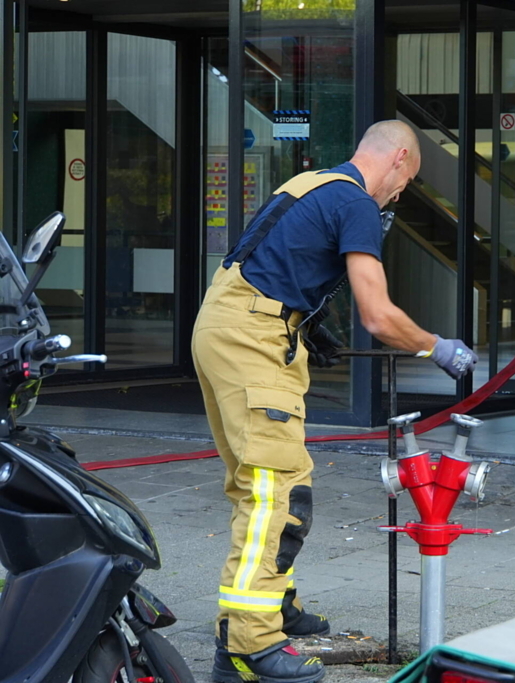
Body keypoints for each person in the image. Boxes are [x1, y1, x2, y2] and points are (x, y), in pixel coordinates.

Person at [192, 120, 477, 683]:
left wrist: (307, 324)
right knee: (278, 488)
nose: (401, 193)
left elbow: (268, 257)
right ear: (397, 158)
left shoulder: (309, 182)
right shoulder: (357, 204)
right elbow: (378, 315)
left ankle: (272, 604)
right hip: (253, 338)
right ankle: (249, 646)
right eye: (408, 180)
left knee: (256, 482)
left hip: (224, 323)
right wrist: (435, 348)